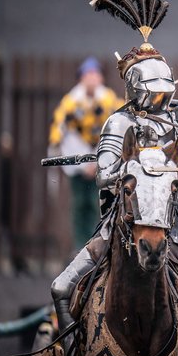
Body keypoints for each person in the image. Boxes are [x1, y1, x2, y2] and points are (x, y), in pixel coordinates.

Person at [51, 0, 178, 352]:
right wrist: (144, 164)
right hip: (125, 222)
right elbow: (105, 175)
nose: (160, 100)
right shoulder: (119, 124)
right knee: (61, 287)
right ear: (136, 90)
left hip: (176, 223)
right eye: (154, 93)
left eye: (164, 93)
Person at [48, 58, 122, 248]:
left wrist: (98, 161)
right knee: (80, 204)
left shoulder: (109, 100)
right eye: (88, 75)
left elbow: (117, 127)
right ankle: (81, 246)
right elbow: (59, 129)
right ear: (81, 78)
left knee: (98, 204)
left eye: (95, 74)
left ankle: (99, 245)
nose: (92, 79)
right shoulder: (71, 102)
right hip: (77, 160)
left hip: (102, 159)